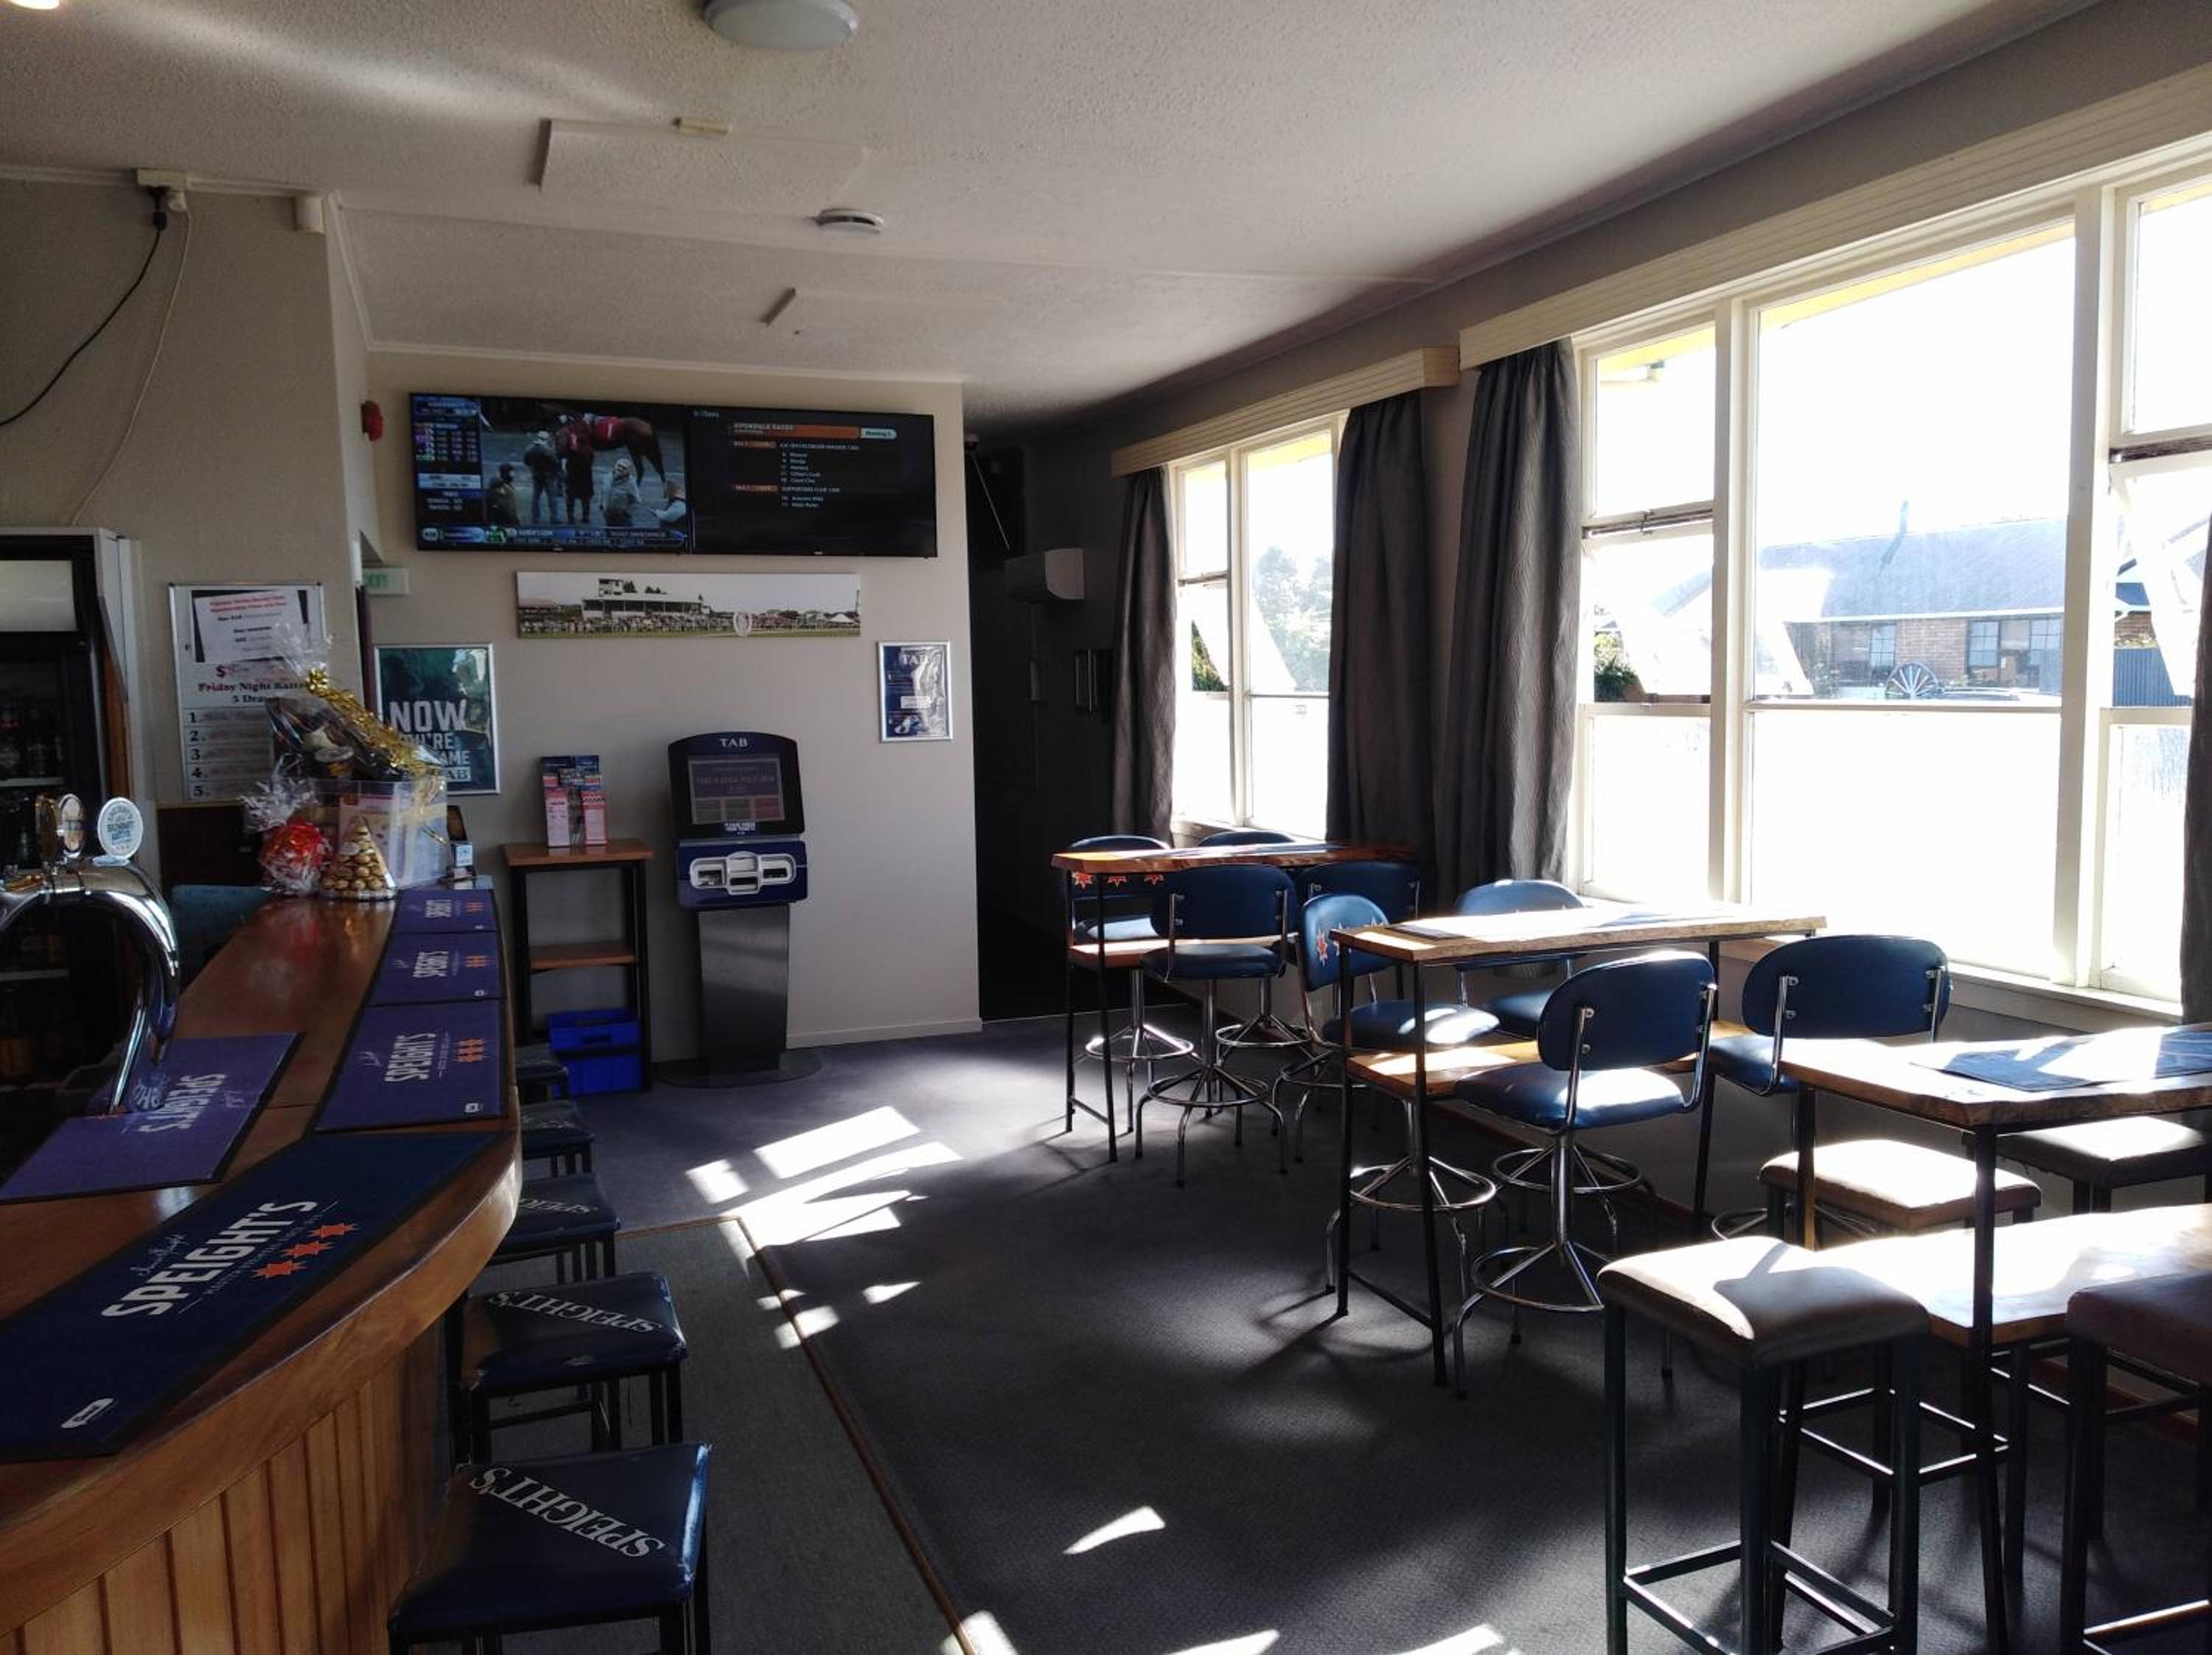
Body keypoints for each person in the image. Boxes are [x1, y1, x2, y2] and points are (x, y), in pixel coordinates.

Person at [522, 430, 560, 523]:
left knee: (536, 497)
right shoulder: (548, 450)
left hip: (536, 474)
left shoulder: (530, 448)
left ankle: (535, 517)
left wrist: (533, 467)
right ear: (546, 439)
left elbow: (526, 461)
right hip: (548, 476)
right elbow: (555, 462)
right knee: (552, 497)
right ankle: (553, 517)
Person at [602, 459, 640, 528]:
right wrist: (602, 506)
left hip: (622, 518)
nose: (620, 469)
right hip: (608, 515)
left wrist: (627, 513)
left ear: (628, 471)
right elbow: (602, 492)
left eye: (624, 468)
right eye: (619, 466)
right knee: (610, 533)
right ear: (615, 466)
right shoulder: (607, 478)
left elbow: (636, 501)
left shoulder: (631, 483)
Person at [486, 462, 521, 526]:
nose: (513, 475)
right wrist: (516, 522)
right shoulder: (507, 489)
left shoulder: (494, 487)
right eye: (512, 473)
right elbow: (511, 509)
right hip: (506, 522)